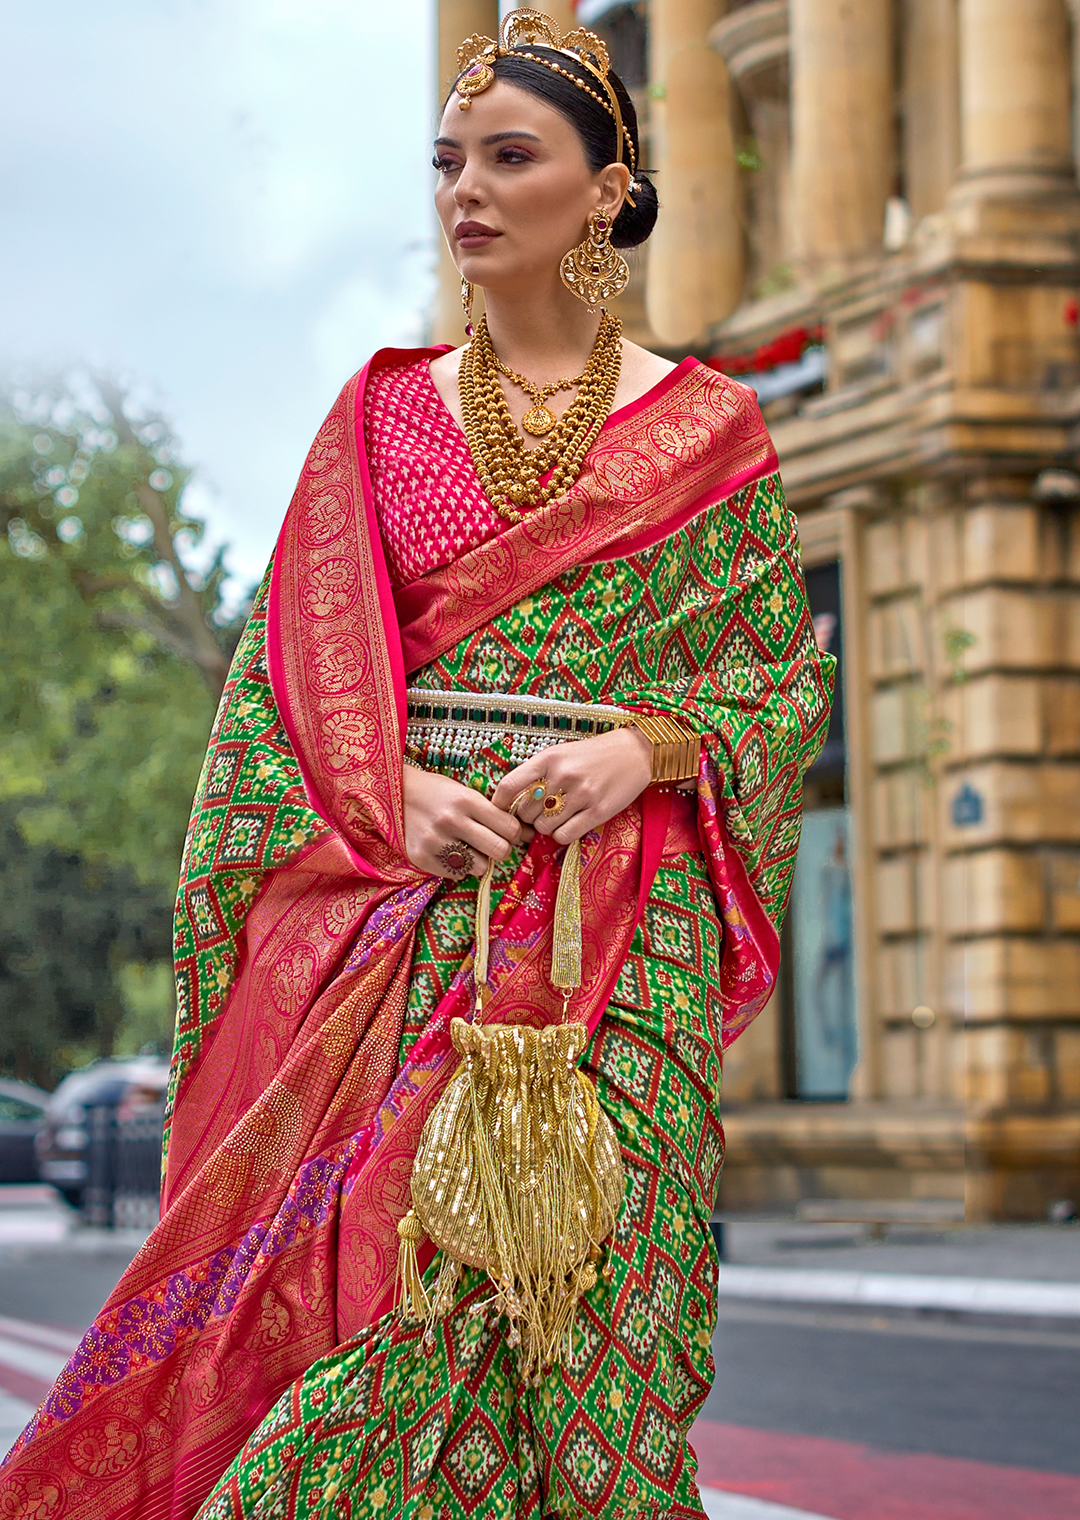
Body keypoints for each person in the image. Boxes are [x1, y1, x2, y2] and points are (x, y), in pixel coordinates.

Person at [0, 12, 833, 1518]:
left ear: (605, 189)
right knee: (373, 1318)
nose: (466, 187)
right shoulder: (379, 418)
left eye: (511, 157)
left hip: (612, 955)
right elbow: (277, 702)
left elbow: (773, 687)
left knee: (594, 1331)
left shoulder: (714, 432)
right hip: (396, 936)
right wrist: (388, 800)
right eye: (447, 159)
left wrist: (644, 751)